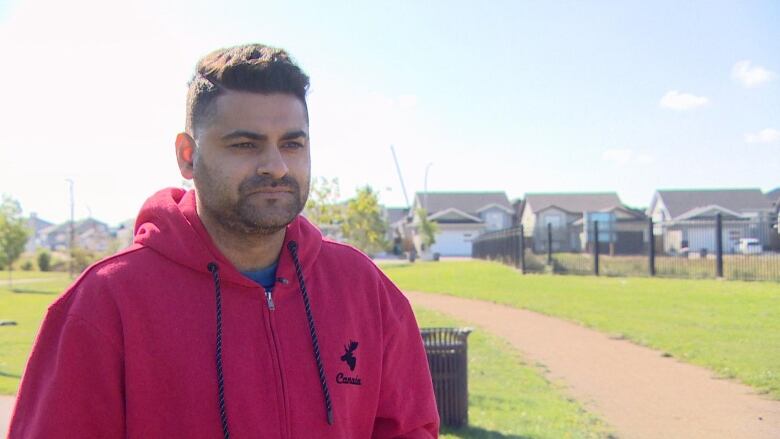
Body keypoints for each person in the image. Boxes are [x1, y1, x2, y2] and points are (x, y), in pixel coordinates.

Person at [9, 44, 439, 438]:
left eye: (292, 143)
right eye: (244, 144)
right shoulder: (106, 302)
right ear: (187, 156)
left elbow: (408, 429)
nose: (275, 166)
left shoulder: (363, 288)